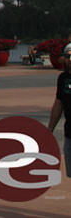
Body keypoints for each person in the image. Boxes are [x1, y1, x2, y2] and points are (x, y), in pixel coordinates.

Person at [47, 43, 71, 178]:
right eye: (68, 56)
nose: (70, 59)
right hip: (69, 134)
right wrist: (50, 129)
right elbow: (58, 103)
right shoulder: (63, 78)